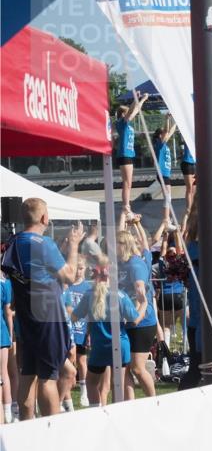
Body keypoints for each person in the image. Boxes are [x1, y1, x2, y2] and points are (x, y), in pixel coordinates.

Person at [0, 199, 82, 418]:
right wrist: (74, 245)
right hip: (48, 316)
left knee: (28, 374)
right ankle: (49, 431)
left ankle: (28, 427)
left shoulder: (13, 242)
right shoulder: (44, 244)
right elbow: (70, 276)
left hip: (26, 319)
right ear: (45, 218)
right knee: (47, 377)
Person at [66, 256, 139, 407]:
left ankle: (95, 412)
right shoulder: (120, 295)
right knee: (118, 384)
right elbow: (134, 319)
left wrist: (65, 305)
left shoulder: (89, 295)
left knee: (92, 383)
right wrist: (143, 303)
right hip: (120, 345)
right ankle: (119, 414)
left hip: (100, 346)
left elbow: (74, 316)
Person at [116, 230, 157, 399]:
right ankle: (129, 405)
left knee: (138, 368)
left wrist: (134, 317)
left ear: (123, 245)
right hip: (125, 322)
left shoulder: (135, 264)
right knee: (124, 367)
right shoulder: (120, 263)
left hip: (142, 322)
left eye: (114, 245)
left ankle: (153, 401)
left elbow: (140, 293)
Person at [114, 92, 149, 213]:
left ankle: (127, 205)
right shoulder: (121, 123)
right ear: (122, 114)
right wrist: (135, 98)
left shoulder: (127, 124)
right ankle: (126, 206)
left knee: (129, 183)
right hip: (124, 154)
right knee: (127, 183)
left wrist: (143, 99)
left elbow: (136, 110)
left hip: (128, 154)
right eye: (126, 112)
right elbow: (131, 112)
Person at [63, 259, 91, 408]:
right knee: (67, 361)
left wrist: (89, 331)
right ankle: (66, 394)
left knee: (81, 361)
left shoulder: (88, 287)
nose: (78, 271)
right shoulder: (67, 286)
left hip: (82, 328)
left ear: (85, 268)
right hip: (68, 328)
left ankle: (83, 392)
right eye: (76, 268)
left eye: (81, 268)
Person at [152, 116, 178, 229]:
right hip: (162, 173)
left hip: (165, 173)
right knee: (167, 197)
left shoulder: (163, 143)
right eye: (163, 133)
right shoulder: (160, 144)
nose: (166, 135)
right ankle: (166, 220)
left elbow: (170, 131)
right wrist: (167, 119)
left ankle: (168, 220)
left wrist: (177, 121)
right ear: (160, 136)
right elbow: (167, 131)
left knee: (169, 197)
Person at [0, 273, 12, 423]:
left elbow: (8, 312)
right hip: (3, 334)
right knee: (4, 373)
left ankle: (8, 412)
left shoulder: (4, 283)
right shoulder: (5, 283)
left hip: (2, 335)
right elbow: (8, 311)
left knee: (3, 373)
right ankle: (8, 412)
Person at [180, 136, 196, 214]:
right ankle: (189, 209)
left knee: (194, 189)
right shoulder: (188, 135)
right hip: (187, 162)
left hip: (194, 163)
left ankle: (192, 207)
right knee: (190, 187)